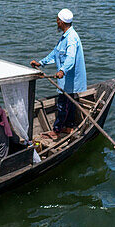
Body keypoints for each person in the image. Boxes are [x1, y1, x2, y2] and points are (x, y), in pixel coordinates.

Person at [31, 7, 87, 138]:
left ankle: (56, 131)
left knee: (63, 104)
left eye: (57, 20)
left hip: (69, 79)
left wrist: (62, 70)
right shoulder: (64, 37)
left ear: (61, 22)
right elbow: (55, 53)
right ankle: (68, 127)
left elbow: (71, 57)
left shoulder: (71, 38)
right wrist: (41, 63)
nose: (56, 22)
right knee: (70, 102)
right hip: (68, 79)